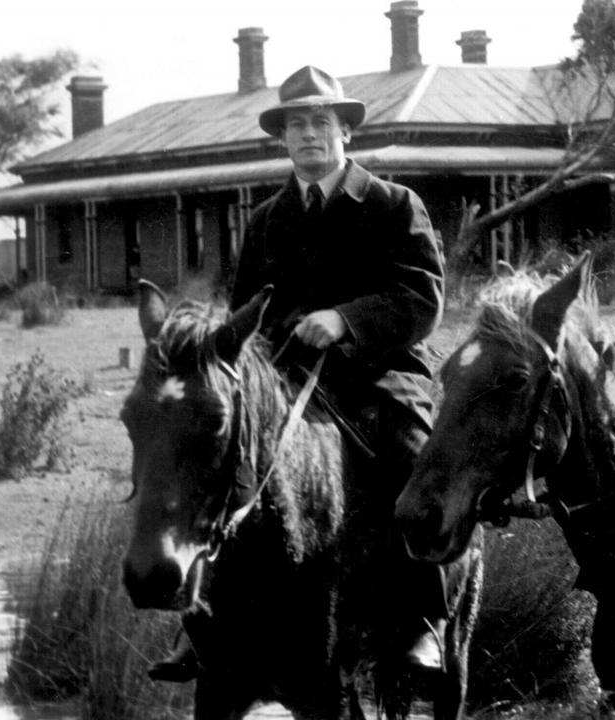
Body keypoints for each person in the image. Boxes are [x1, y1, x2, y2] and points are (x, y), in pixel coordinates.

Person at [150, 65, 455, 682]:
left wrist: (345, 320)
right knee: (226, 461)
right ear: (282, 139)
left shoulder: (396, 205)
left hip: (382, 373)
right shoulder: (266, 218)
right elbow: (245, 314)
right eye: (296, 125)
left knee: (409, 457)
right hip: (285, 379)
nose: (309, 135)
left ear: (346, 133)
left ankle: (424, 621)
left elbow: (422, 300)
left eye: (321, 123)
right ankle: (201, 623)